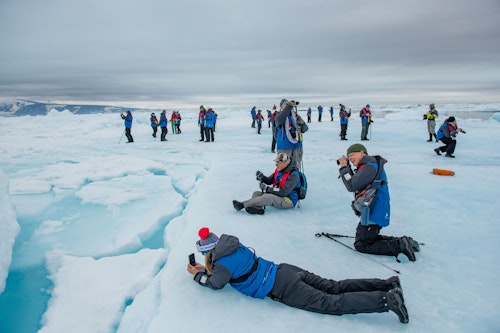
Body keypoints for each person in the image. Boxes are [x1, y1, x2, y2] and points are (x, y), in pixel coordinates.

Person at [187, 227, 409, 324]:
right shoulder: (231, 244)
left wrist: (198, 275)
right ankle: (387, 284)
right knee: (334, 286)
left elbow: (216, 283)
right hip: (285, 269)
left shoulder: (220, 265)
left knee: (331, 303)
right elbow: (228, 267)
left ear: (208, 252)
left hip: (281, 288)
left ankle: (385, 300)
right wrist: (207, 267)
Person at [337, 143, 419, 262]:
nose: (350, 158)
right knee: (369, 237)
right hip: (376, 206)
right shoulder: (368, 165)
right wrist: (347, 167)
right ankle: (405, 242)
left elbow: (352, 185)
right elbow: (357, 182)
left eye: (352, 154)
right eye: (348, 156)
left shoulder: (369, 167)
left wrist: (344, 168)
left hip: (373, 208)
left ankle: (399, 246)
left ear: (362, 152)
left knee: (361, 244)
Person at [232, 153, 300, 215]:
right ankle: (257, 209)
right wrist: (262, 177)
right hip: (279, 195)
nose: (276, 164)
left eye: (278, 162)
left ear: (285, 163)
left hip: (288, 200)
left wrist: (267, 189)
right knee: (256, 193)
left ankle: (242, 205)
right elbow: (269, 180)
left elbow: (283, 192)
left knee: (269, 197)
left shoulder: (293, 175)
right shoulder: (279, 170)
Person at [274, 99, 308, 170]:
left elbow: (305, 129)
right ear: (281, 107)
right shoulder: (278, 115)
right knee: (283, 168)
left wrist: (300, 121)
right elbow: (280, 121)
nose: (288, 105)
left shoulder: (294, 116)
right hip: (284, 147)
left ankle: (295, 180)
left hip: (297, 146)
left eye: (288, 104)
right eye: (285, 104)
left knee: (296, 168)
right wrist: (289, 106)